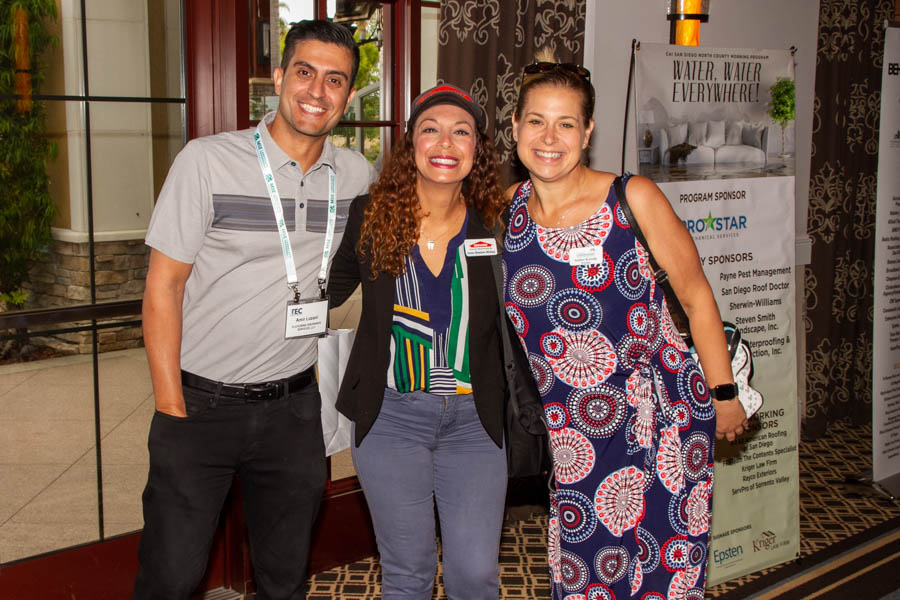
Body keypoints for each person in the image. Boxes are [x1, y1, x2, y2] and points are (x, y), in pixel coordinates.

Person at [134, 20, 375, 600]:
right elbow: (163, 287)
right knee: (171, 576)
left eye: (335, 80)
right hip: (199, 406)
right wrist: (171, 408)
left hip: (294, 409)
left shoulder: (355, 177)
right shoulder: (207, 162)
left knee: (284, 578)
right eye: (305, 72)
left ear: (347, 97)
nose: (317, 91)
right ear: (279, 77)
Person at [502, 60, 749, 598]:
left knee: (661, 572)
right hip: (572, 430)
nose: (549, 138)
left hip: (660, 415)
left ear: (588, 131)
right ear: (515, 126)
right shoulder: (508, 212)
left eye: (566, 124)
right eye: (536, 121)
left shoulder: (631, 197)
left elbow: (696, 297)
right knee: (585, 569)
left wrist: (724, 393)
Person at [326, 84, 509, 599]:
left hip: (475, 421)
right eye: (431, 130)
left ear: (477, 149)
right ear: (411, 144)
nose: (445, 143)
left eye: (461, 132)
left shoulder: (497, 225)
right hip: (391, 417)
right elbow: (327, 289)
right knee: (407, 572)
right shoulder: (370, 217)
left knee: (474, 573)